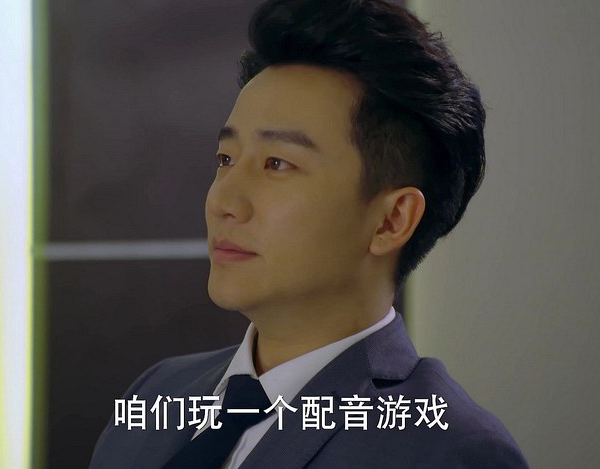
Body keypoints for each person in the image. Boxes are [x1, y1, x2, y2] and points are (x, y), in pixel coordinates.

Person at [90, 0, 528, 467]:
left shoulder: (447, 450)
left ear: (391, 220)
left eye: (277, 163)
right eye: (226, 159)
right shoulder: (158, 394)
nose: (223, 201)